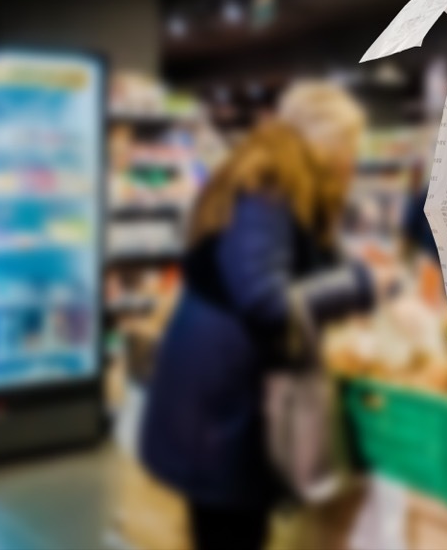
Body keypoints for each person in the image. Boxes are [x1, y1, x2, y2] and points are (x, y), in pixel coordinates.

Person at [141, 82, 389, 550]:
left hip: (217, 390)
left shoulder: (273, 178)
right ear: (326, 145)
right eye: (348, 148)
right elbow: (266, 300)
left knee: (226, 533)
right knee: (231, 535)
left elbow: (277, 269)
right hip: (224, 408)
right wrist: (355, 286)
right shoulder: (271, 187)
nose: (351, 163)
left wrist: (336, 267)